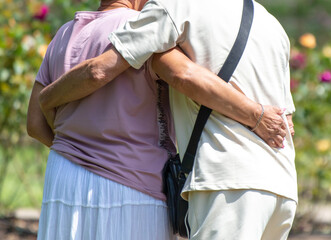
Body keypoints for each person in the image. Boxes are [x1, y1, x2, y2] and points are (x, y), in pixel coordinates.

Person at [36, 0, 297, 239]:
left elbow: (175, 73)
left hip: (228, 178)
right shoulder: (270, 22)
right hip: (281, 183)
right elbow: (286, 120)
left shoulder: (174, 9)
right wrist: (258, 115)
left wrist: (47, 101)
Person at [27, 0, 177, 239]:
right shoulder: (144, 28)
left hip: (63, 178)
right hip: (132, 186)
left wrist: (77, 148)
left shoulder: (64, 33)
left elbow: (34, 124)